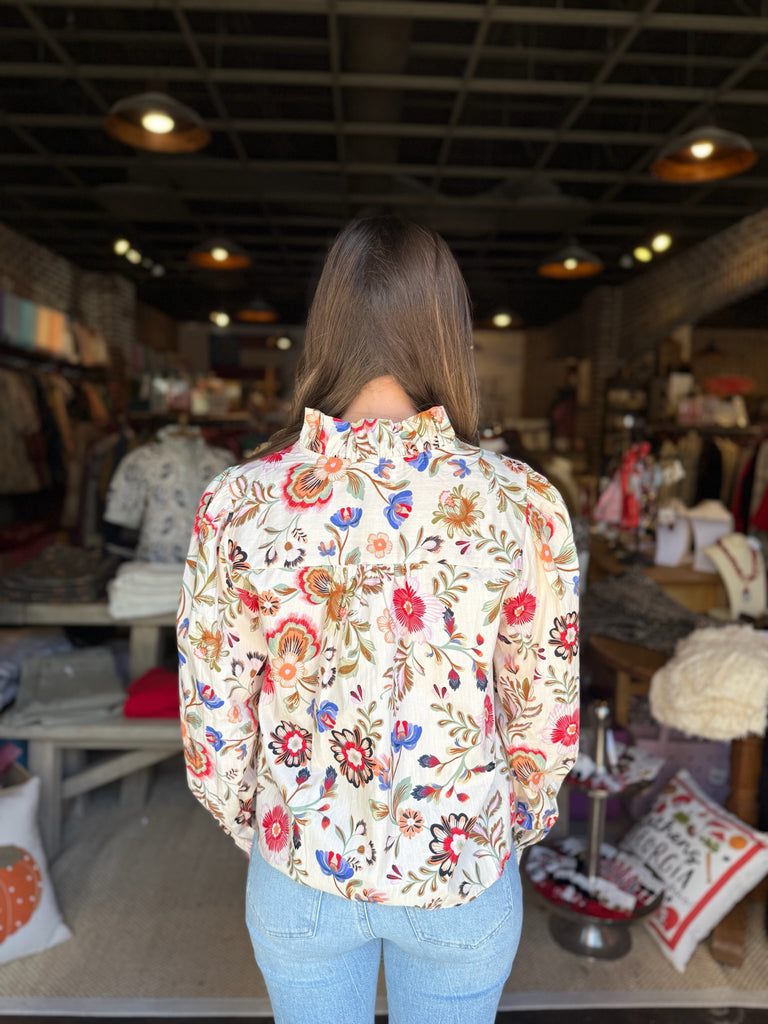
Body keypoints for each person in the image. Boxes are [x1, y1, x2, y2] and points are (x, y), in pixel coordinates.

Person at [177, 215, 580, 1024]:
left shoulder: (240, 502)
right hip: (462, 864)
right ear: (446, 331)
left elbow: (212, 724)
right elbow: (543, 710)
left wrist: (264, 825)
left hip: (300, 868)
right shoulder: (522, 503)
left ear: (323, 329)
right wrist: (515, 819)